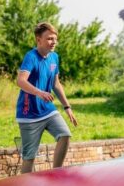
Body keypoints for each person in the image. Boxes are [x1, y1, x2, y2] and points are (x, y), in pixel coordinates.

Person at [16, 22, 78, 173]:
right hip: (28, 114)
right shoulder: (31, 57)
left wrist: (67, 107)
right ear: (38, 40)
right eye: (49, 39)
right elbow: (20, 80)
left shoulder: (54, 58)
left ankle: (56, 174)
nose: (53, 42)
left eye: (55, 39)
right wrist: (40, 92)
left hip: (48, 110)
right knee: (29, 158)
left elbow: (56, 83)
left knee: (65, 135)